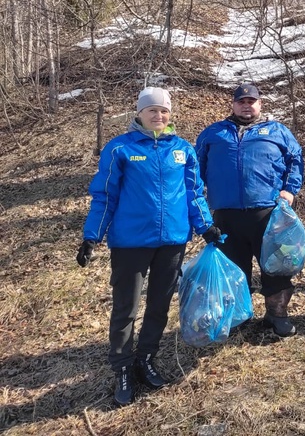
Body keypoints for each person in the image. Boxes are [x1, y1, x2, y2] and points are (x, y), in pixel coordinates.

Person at [78, 87, 221, 406]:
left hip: (172, 242)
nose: (159, 115)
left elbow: (194, 193)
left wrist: (206, 226)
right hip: (131, 243)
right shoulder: (121, 149)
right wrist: (92, 235)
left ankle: (146, 358)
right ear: (139, 113)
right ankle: (123, 368)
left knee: (158, 306)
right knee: (126, 308)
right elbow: (105, 195)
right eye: (152, 110)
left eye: (164, 111)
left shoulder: (183, 149)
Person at [195, 83, 304, 337]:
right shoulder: (214, 133)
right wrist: (198, 199)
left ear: (260, 104)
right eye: (241, 101)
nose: (247, 105)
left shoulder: (277, 131)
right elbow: (194, 170)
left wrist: (290, 189)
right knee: (233, 269)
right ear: (233, 104)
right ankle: (238, 316)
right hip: (226, 215)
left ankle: (277, 315)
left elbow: (296, 160)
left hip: (268, 214)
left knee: (276, 268)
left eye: (251, 101)